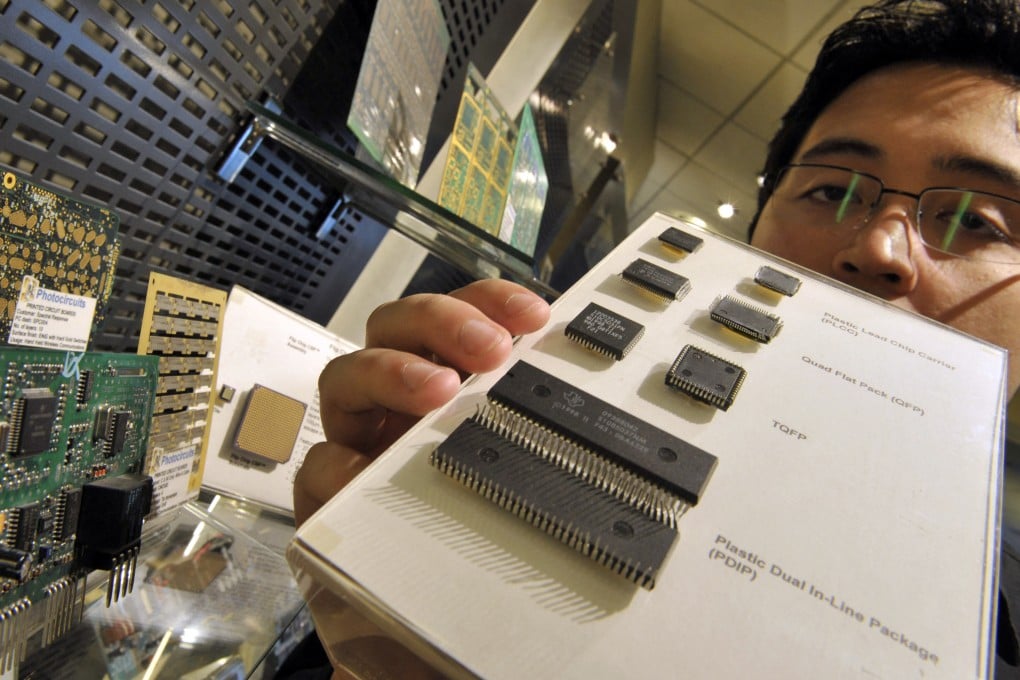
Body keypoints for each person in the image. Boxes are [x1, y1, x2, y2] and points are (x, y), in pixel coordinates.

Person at [292, 0, 1020, 675]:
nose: (882, 250)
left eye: (976, 222)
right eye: (831, 190)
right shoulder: (528, 367)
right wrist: (368, 611)